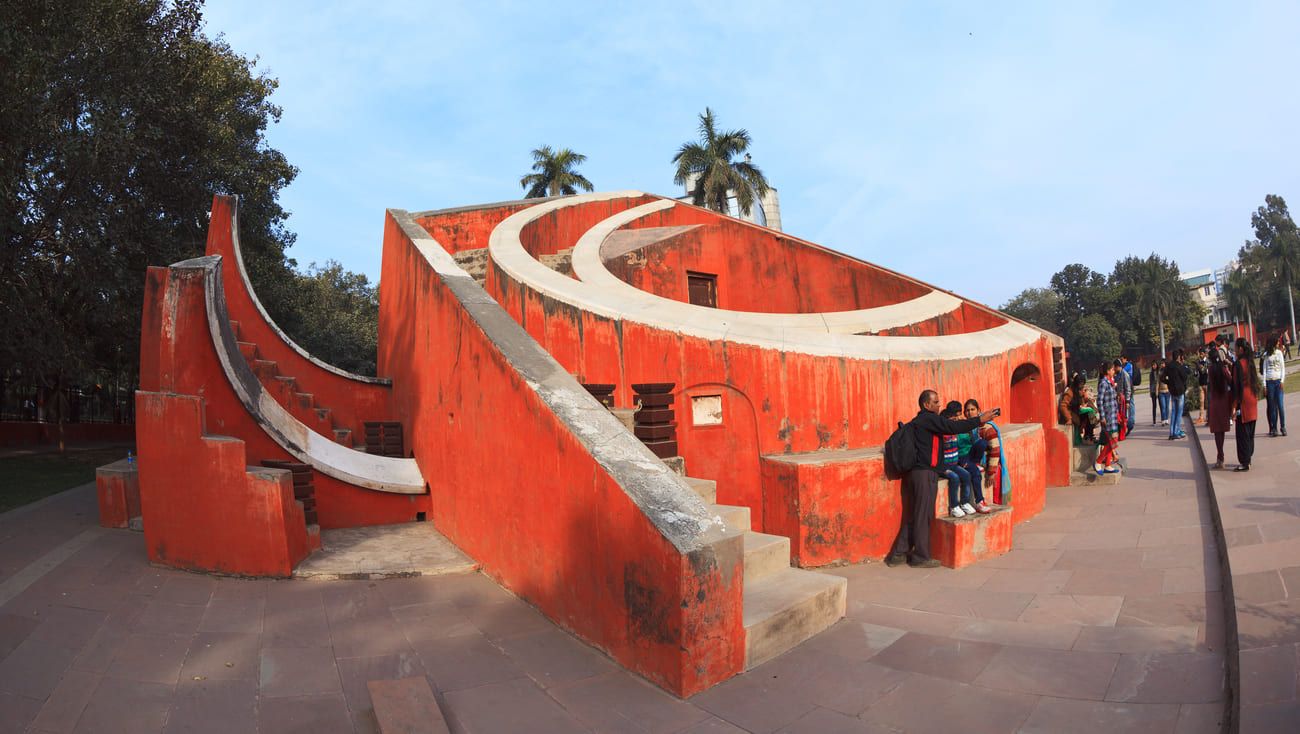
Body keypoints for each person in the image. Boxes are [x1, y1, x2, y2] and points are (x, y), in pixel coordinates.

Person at [887, 390, 998, 568]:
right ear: (927, 405)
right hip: (924, 474)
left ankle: (898, 554)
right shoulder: (928, 419)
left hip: (918, 473)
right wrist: (979, 420)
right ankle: (920, 557)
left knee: (916, 513)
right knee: (924, 515)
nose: (940, 405)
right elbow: (952, 427)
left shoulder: (920, 421)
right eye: (936, 402)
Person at [965, 398, 1008, 507]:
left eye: (972, 409)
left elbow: (995, 449)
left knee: (995, 502)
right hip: (978, 464)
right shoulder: (969, 427)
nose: (970, 413)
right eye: (967, 410)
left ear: (978, 410)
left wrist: (991, 472)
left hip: (990, 467)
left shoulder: (986, 427)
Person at [939, 402, 977, 518]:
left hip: (954, 464)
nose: (955, 422)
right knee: (955, 478)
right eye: (951, 420)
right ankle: (954, 506)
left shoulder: (955, 433)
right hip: (944, 467)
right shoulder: (941, 436)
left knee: (966, 475)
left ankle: (964, 502)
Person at [1232, 338, 1262, 471]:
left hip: (1243, 399)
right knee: (1250, 432)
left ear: (1240, 349)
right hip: (1252, 397)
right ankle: (1248, 457)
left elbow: (1235, 386)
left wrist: (1233, 406)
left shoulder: (1238, 364)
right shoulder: (1250, 362)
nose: (1234, 351)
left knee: (1242, 432)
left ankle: (1245, 462)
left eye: (1236, 348)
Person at [1205, 345, 1233, 469]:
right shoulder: (1223, 369)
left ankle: (1220, 457)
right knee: (1222, 429)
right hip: (1224, 400)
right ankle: (1220, 457)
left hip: (1215, 402)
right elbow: (1231, 380)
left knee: (1217, 431)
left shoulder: (1210, 370)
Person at [1094, 362, 1122, 474]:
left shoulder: (1110, 383)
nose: (1114, 371)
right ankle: (1098, 461)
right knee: (1113, 441)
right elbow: (1099, 401)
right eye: (1112, 370)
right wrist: (1102, 416)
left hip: (1113, 416)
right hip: (1108, 417)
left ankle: (1108, 465)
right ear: (1108, 371)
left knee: (1110, 441)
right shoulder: (1103, 383)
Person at [1263, 335, 1287, 437]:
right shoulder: (1266, 355)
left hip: (1278, 382)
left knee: (1280, 406)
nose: (1278, 344)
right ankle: (1274, 428)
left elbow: (1283, 368)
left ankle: (1283, 426)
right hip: (1269, 382)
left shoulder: (1279, 353)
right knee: (1272, 407)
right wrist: (1264, 385)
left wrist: (1282, 381)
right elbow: (1264, 370)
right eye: (1277, 342)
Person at [1162, 349, 1188, 439]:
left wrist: (1168, 382)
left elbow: (1162, 377)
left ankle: (1172, 432)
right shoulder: (1179, 366)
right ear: (1178, 357)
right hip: (1180, 391)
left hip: (1172, 391)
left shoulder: (1168, 366)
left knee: (1173, 412)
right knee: (1179, 412)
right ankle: (1177, 431)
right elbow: (1185, 377)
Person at [1113, 358, 1132, 441]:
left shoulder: (1125, 375)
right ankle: (1119, 434)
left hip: (1123, 400)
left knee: (1123, 418)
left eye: (1114, 367)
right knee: (1118, 418)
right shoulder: (1116, 375)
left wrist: (1127, 401)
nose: (1114, 369)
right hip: (1117, 399)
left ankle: (1122, 434)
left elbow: (1128, 389)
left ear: (1118, 367)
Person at [1121, 356, 1137, 432]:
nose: (1122, 361)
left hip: (1129, 386)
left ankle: (1131, 420)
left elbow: (1122, 371)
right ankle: (1129, 420)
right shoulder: (1126, 366)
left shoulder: (1128, 366)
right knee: (1128, 404)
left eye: (1122, 359)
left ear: (1125, 359)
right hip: (1127, 386)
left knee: (1131, 404)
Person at [1195, 350, 1210, 425]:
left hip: (1207, 384)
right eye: (1199, 354)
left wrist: (1202, 368)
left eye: (1201, 354)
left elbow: (1205, 371)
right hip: (1200, 383)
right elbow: (1196, 373)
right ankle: (1201, 417)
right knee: (1201, 401)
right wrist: (1196, 372)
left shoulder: (1208, 361)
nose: (1200, 355)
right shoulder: (1198, 362)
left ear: (1204, 354)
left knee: (1207, 401)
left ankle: (1208, 417)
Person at [1157, 358, 1171, 425]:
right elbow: (1157, 382)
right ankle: (1163, 419)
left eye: (1163, 363)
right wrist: (1157, 391)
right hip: (1161, 392)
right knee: (1163, 406)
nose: (1162, 365)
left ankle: (1166, 419)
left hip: (1167, 391)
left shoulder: (1168, 372)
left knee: (1167, 406)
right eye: (1161, 364)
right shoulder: (1159, 372)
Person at [1148, 358, 1160, 425]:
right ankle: (1154, 421)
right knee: (1154, 406)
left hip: (1159, 390)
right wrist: (1150, 391)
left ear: (1157, 365)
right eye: (1152, 365)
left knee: (1161, 405)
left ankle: (1163, 419)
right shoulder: (1151, 374)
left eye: (1154, 365)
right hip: (1153, 391)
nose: (1153, 366)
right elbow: (1150, 383)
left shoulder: (1159, 372)